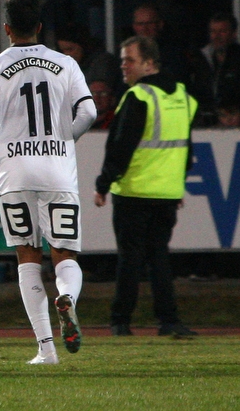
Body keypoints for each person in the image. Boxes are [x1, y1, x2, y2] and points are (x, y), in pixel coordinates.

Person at [0, 0, 96, 365]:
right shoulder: (65, 63)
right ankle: (66, 297)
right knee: (64, 252)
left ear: (7, 29)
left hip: (15, 171)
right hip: (56, 169)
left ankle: (46, 349)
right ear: (39, 27)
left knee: (27, 255)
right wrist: (65, 139)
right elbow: (89, 110)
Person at [94, 35, 198, 337]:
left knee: (130, 259)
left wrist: (103, 184)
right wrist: (178, 184)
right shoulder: (181, 96)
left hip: (135, 191)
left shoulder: (138, 96)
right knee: (159, 258)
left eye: (130, 60)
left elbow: (120, 147)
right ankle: (169, 321)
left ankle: (121, 322)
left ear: (149, 63)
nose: (123, 66)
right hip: (166, 192)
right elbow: (187, 147)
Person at [188, 11, 240, 127]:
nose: (217, 36)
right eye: (213, 31)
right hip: (207, 124)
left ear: (233, 33)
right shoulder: (201, 60)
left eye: (222, 31)